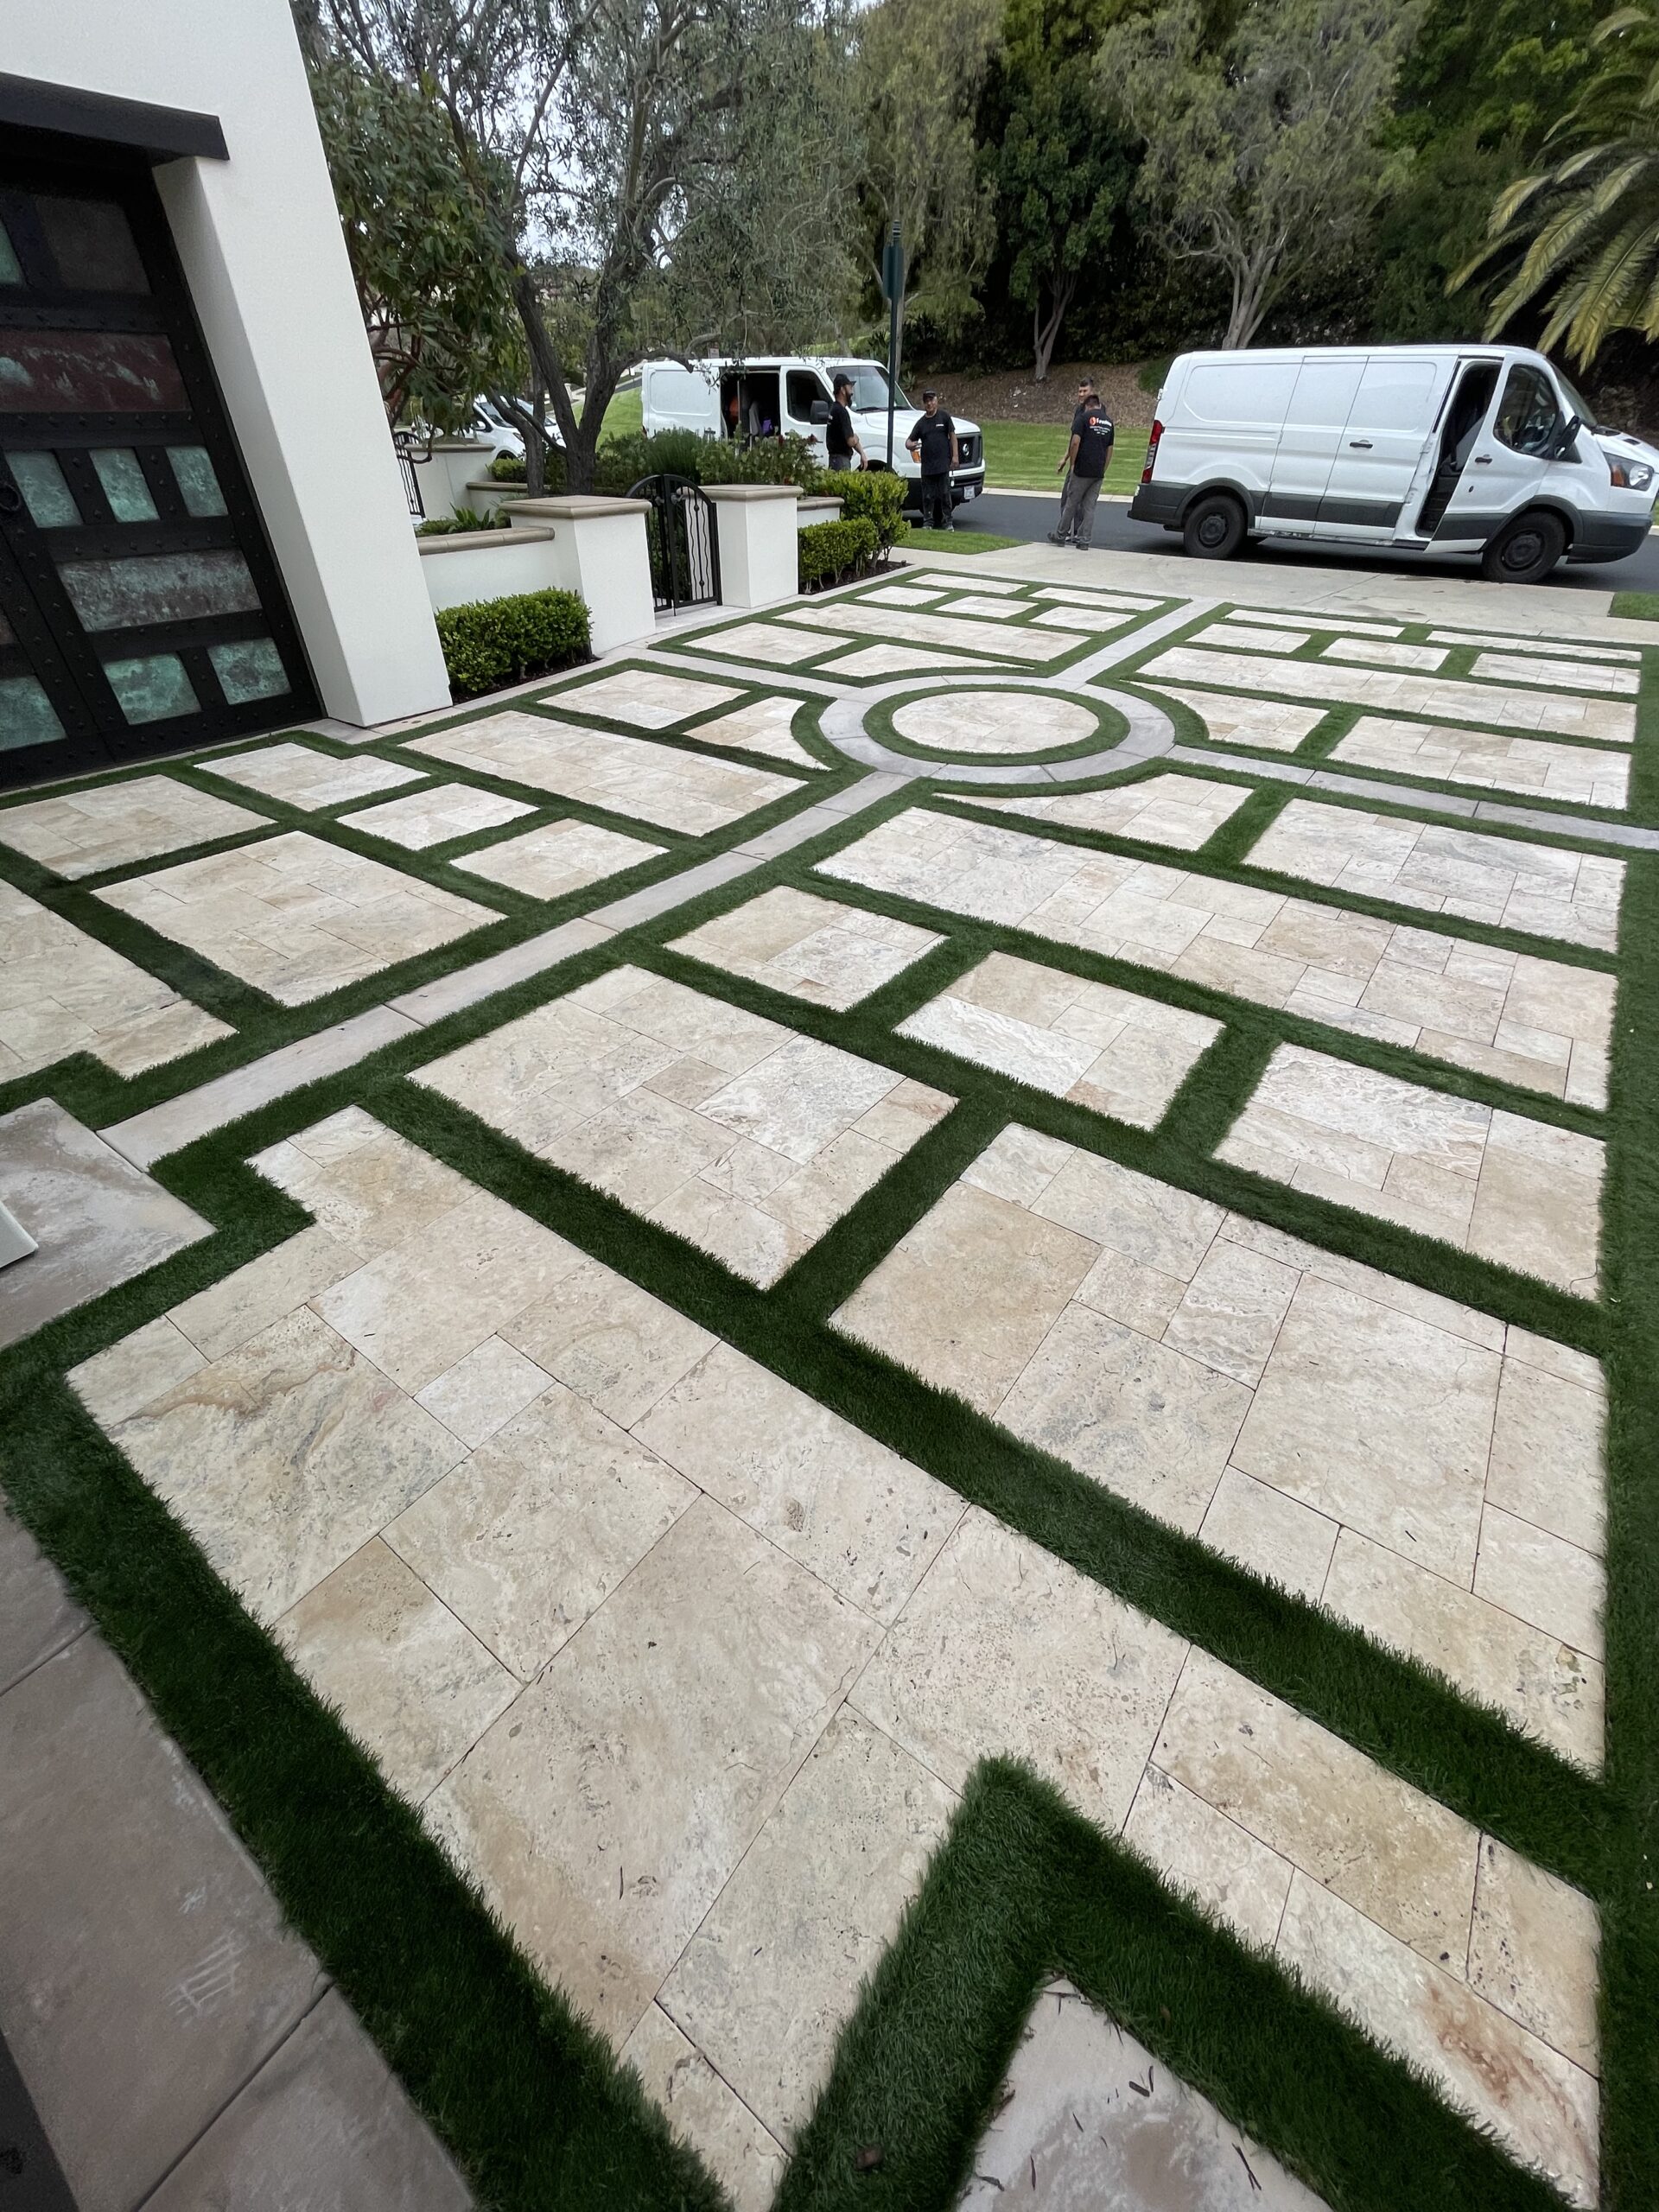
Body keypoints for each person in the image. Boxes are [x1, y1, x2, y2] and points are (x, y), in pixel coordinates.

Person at [1049, 382, 1113, 550]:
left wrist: (1072, 464)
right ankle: (1084, 540)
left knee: (1071, 502)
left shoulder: (1083, 418)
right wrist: (1103, 469)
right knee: (1089, 507)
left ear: (1088, 406)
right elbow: (1110, 450)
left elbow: (1075, 443)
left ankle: (1061, 535)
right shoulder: (1109, 423)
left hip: (1082, 469)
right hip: (1098, 471)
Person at [906, 390, 958, 530]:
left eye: (931, 400)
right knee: (928, 496)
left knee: (945, 494)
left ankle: (947, 522)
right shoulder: (921, 423)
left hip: (943, 464)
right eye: (926, 401)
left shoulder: (944, 418)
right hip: (928, 466)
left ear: (936, 401)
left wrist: (955, 456)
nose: (929, 404)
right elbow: (909, 441)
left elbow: (953, 437)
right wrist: (910, 445)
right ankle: (928, 522)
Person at [825, 373, 865, 471]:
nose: (852, 392)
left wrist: (862, 453)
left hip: (835, 460)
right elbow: (851, 441)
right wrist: (856, 438)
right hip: (841, 462)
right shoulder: (841, 412)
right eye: (850, 388)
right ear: (843, 390)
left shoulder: (834, 409)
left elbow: (849, 436)